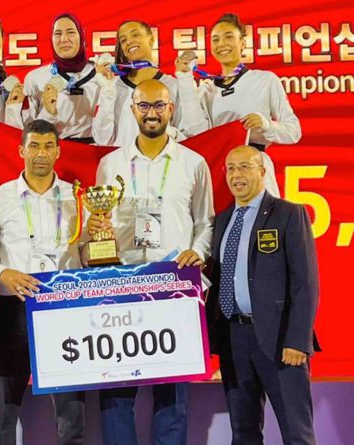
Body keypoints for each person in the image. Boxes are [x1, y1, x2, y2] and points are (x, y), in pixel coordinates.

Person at [87, 79, 214, 445]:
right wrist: (98, 231)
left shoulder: (193, 163)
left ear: (171, 109)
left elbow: (205, 221)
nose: (152, 113)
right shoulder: (111, 164)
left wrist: (199, 252)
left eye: (159, 106)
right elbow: (103, 222)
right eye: (144, 106)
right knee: (116, 388)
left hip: (175, 282)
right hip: (123, 281)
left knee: (172, 390)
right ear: (133, 110)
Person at [0, 119, 86, 445]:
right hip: (14, 310)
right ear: (21, 150)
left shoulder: (78, 197)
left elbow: (87, 253)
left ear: (58, 151)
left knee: (72, 417)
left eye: (48, 146)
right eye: (34, 146)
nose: (41, 154)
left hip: (64, 310)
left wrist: (101, 236)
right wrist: (3, 273)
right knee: (2, 414)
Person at [209, 145, 319, 445]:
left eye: (244, 166)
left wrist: (298, 340)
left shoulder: (288, 214)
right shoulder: (221, 221)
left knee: (297, 433)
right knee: (243, 433)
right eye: (230, 168)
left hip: (280, 340)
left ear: (262, 171)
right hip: (234, 341)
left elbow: (305, 283)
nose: (236, 175)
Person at [194, 13, 302, 196]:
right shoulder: (206, 91)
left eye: (229, 37)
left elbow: (294, 132)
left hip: (256, 165)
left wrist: (266, 125)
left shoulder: (265, 80)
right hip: (221, 172)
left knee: (263, 223)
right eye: (215, 39)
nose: (222, 44)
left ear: (242, 43)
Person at [91, 20, 209, 147]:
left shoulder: (173, 86)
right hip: (123, 164)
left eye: (135, 35)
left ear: (151, 40)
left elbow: (194, 135)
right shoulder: (112, 87)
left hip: (164, 164)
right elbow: (102, 139)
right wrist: (108, 92)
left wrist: (169, 134)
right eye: (123, 40)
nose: (129, 42)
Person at [7, 13, 100, 142]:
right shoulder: (35, 78)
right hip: (52, 154)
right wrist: (48, 112)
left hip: (94, 154)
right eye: (57, 34)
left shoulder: (101, 75)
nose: (64, 39)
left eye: (71, 32)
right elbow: (29, 131)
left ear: (82, 36)